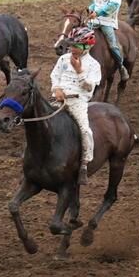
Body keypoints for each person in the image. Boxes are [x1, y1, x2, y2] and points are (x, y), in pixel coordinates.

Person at [50, 26, 102, 185]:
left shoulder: (93, 65)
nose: (72, 49)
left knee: (85, 130)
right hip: (59, 98)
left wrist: (79, 71)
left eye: (76, 46)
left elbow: (89, 87)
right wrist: (56, 88)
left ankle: (84, 164)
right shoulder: (63, 59)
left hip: (77, 102)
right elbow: (55, 76)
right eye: (71, 45)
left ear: (87, 46)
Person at [88, 0, 129, 82]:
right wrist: (90, 9)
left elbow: (112, 7)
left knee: (113, 45)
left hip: (107, 22)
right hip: (94, 20)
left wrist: (98, 13)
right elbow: (94, 3)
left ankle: (121, 67)